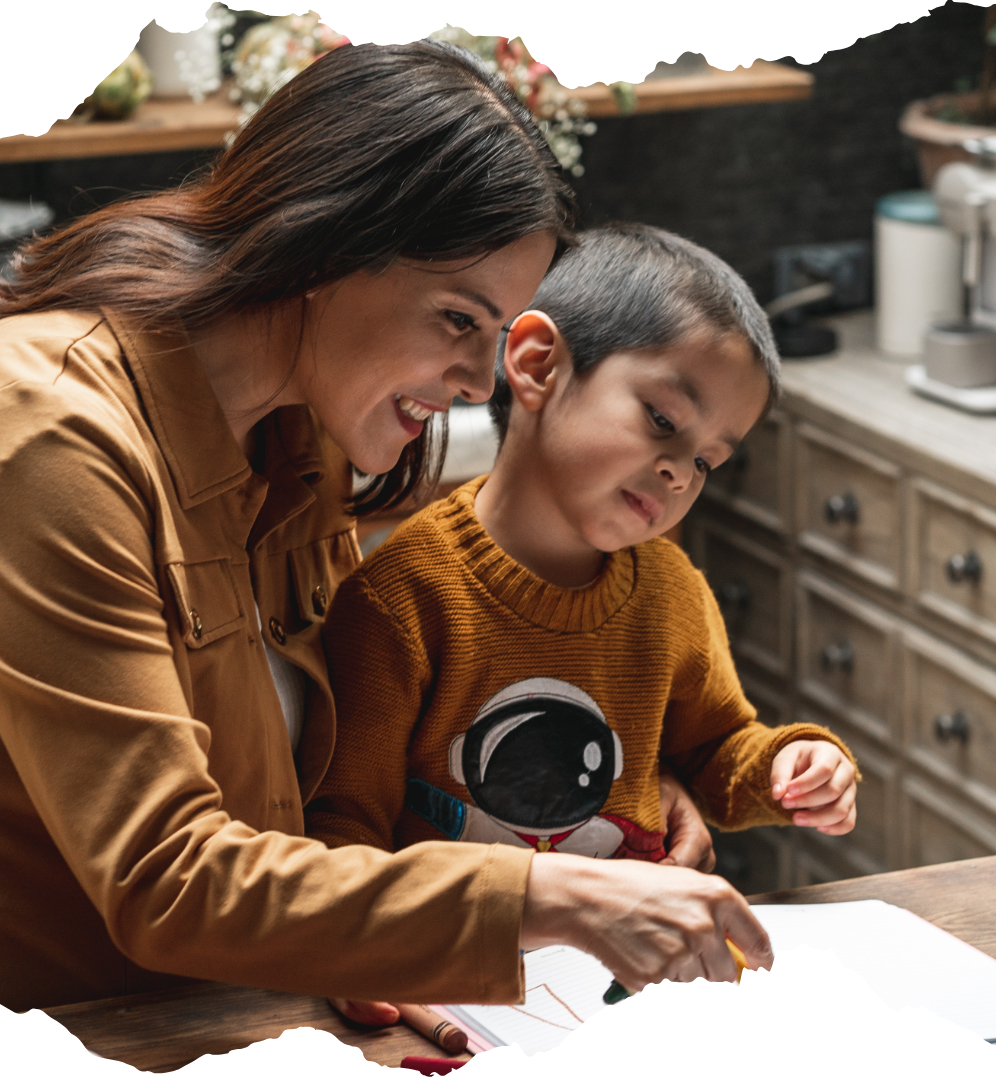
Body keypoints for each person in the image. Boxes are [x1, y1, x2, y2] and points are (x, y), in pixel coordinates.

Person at [0, 42, 770, 1014]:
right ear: (321, 244)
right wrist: (555, 895)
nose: (479, 381)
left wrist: (604, 816)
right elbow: (172, 881)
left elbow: (345, 759)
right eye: (458, 318)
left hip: (254, 1006)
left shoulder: (302, 429)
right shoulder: (48, 440)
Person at [308, 225, 860, 1010]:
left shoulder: (672, 591)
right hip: (454, 984)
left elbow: (715, 751)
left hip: (620, 979)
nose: (678, 471)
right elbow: (343, 830)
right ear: (537, 365)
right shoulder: (401, 598)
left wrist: (790, 766)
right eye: (664, 420)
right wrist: (365, 965)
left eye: (707, 461)